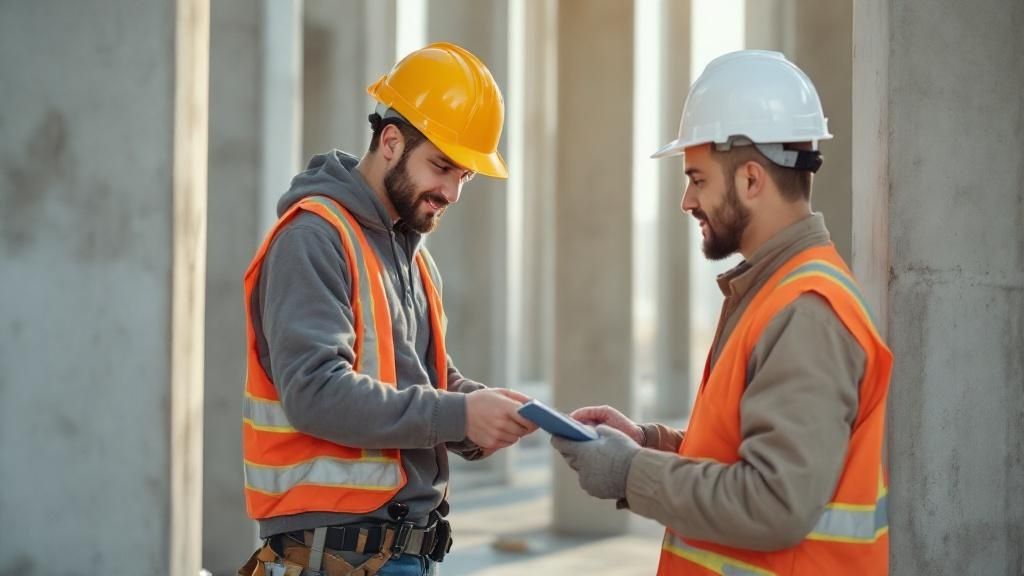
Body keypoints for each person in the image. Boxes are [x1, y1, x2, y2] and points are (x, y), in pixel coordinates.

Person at [552, 50, 893, 575]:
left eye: (697, 178)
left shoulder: (807, 311)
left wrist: (631, 473)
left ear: (752, 180)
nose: (686, 200)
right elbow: (743, 454)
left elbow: (774, 503)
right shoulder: (774, 292)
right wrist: (650, 444)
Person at [239, 42, 536, 576]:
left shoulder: (415, 261)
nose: (452, 191)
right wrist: (458, 413)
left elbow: (427, 380)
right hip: (334, 557)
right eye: (442, 166)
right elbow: (315, 391)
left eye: (464, 176)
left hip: (403, 552)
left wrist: (484, 414)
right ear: (392, 142)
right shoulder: (314, 237)